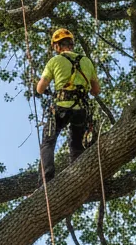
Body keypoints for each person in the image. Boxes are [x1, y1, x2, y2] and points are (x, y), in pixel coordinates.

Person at [36, 28, 101, 181]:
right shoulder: (86, 61)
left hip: (61, 107)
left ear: (57, 46)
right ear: (71, 44)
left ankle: (47, 179)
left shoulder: (55, 61)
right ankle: (77, 177)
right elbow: (96, 91)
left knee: (48, 142)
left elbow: (40, 88)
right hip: (81, 109)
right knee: (77, 145)